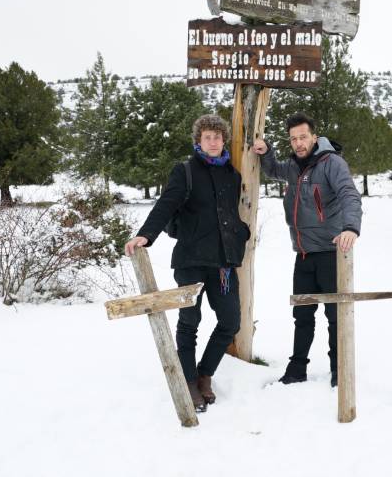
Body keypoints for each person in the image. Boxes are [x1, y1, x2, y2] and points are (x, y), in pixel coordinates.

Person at [125, 114, 250, 412]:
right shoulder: (186, 171)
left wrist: (241, 233)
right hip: (192, 260)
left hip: (223, 264)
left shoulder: (232, 175)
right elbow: (166, 204)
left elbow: (229, 213)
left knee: (231, 321)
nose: (213, 141)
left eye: (218, 136)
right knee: (190, 322)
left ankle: (205, 374)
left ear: (223, 141)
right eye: (207, 136)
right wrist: (145, 234)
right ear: (198, 140)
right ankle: (189, 380)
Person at [252, 112, 361, 387]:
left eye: (303, 137)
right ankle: (297, 369)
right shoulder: (292, 166)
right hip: (303, 254)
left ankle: (339, 369)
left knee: (335, 315)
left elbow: (349, 194)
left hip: (330, 252)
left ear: (314, 136)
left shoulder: (331, 163)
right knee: (302, 315)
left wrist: (350, 228)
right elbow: (273, 170)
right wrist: (267, 152)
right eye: (293, 139)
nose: (299, 143)